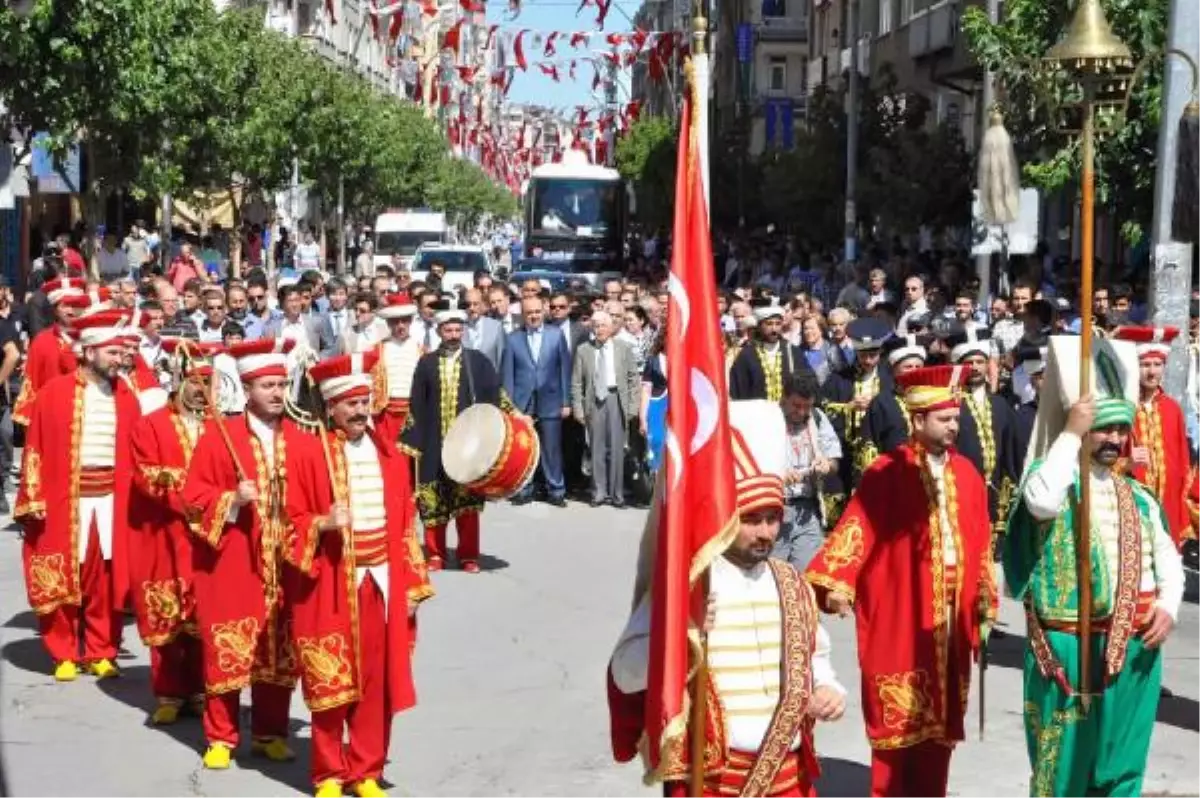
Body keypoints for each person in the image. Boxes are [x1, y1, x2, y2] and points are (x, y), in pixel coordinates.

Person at [608, 400, 847, 798]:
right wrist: (679, 633)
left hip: (786, 774)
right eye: (751, 520)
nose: (766, 533)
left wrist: (827, 688)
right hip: (711, 779)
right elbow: (624, 674)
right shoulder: (687, 586)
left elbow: (815, 655)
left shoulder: (792, 582)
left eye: (773, 519)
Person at [805, 364, 995, 798]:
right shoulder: (885, 472)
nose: (953, 427)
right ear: (917, 419)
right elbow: (857, 528)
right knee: (897, 724)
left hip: (951, 621)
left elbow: (980, 540)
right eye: (944, 419)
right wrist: (837, 581)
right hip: (901, 615)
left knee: (941, 727)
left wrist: (983, 595)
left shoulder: (967, 474)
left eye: (956, 419)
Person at [1006, 390, 1184, 796]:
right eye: (1104, 428)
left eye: (1122, 429)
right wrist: (1070, 433)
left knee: (1121, 765)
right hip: (1069, 646)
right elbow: (1041, 504)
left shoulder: (1139, 496)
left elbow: (1168, 559)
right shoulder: (1050, 479)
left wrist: (1169, 606)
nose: (1115, 439)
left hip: (1135, 644)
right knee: (1063, 770)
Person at [285, 351, 433, 798]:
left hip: (383, 580)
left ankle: (366, 770)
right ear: (330, 407)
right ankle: (329, 773)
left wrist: (412, 582)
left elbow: (406, 520)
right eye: (349, 403)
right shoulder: (311, 454)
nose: (359, 409)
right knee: (331, 676)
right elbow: (288, 519)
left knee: (375, 680)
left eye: (364, 400)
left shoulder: (389, 453)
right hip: (331, 579)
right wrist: (321, 524)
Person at [180, 337, 301, 770]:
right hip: (233, 561)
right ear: (248, 389)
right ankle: (220, 736)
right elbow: (191, 497)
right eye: (267, 385)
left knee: (278, 648)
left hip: (284, 561)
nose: (276, 393)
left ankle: (270, 731)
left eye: (281, 385)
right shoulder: (220, 436)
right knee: (227, 647)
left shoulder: (300, 437)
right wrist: (231, 499)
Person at [14, 309, 143, 682]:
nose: (120, 360)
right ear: (89, 352)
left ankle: (102, 649)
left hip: (111, 500)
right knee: (61, 576)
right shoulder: (54, 393)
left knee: (105, 577)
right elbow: (34, 449)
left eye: (122, 353)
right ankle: (64, 651)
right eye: (112, 353)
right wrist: (32, 498)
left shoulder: (128, 397)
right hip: (65, 499)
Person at [127, 339, 217, 724]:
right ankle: (168, 693)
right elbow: (147, 475)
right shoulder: (152, 424)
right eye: (194, 380)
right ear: (177, 380)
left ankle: (200, 690)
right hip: (165, 534)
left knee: (205, 615)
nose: (201, 388)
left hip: (210, 536)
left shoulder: (222, 427)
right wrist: (196, 495)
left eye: (208, 381)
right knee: (166, 612)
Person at [400, 300, 516, 573]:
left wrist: (515, 415)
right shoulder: (426, 363)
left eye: (457, 330)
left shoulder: (478, 361)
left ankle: (468, 556)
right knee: (433, 500)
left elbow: (496, 394)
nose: (453, 335)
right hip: (433, 441)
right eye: (448, 330)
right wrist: (410, 441)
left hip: (469, 444)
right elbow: (416, 403)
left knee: (467, 503)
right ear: (439, 331)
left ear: (463, 330)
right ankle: (436, 554)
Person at [1111, 326, 1194, 548]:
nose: (1152, 372)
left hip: (1168, 509)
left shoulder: (1172, 409)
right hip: (1131, 508)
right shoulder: (1120, 408)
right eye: (1145, 364)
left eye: (1158, 365)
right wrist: (1127, 463)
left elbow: (1184, 466)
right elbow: (1097, 463)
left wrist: (1182, 517)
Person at [946, 327, 1020, 535]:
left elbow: (1011, 451)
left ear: (988, 365)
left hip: (996, 493)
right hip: (960, 491)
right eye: (969, 363)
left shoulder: (1000, 404)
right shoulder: (950, 404)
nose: (975, 367)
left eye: (980, 362)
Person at [502, 296, 572, 507]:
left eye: (537, 312)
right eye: (529, 313)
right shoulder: (513, 338)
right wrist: (510, 406)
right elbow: (508, 375)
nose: (533, 316)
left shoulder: (556, 335)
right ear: (522, 315)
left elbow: (564, 370)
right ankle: (524, 488)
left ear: (544, 312)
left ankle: (556, 490)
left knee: (552, 448)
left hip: (551, 399)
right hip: (523, 402)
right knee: (524, 447)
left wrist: (566, 401)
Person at [572, 309, 640, 508]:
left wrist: (633, 407)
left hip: (616, 399)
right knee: (596, 448)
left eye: (603, 325)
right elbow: (577, 383)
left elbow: (633, 379)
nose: (599, 329)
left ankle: (617, 494)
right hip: (594, 402)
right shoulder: (583, 350)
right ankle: (598, 493)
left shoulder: (624, 348)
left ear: (611, 327)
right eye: (595, 325)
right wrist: (578, 408)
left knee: (618, 449)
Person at [777, 371, 842, 570]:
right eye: (797, 406)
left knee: (807, 575)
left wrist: (826, 465)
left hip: (807, 510)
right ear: (784, 398)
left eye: (807, 406)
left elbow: (834, 460)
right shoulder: (768, 419)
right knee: (775, 573)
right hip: (775, 510)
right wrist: (778, 474)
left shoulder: (817, 418)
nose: (802, 412)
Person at [822, 317, 891, 491]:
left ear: (881, 351)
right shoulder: (840, 378)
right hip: (848, 453)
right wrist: (848, 407)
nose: (868, 360)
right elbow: (822, 406)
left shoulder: (890, 378)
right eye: (862, 355)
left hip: (881, 450)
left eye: (872, 355)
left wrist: (877, 406)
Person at [12, 277, 88, 425]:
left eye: (75, 305)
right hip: (52, 418)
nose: (71, 310)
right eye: (65, 305)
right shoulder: (42, 342)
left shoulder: (94, 338)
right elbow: (32, 386)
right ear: (55, 309)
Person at [728, 301, 814, 402]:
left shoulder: (793, 352)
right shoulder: (747, 355)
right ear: (760, 326)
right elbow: (738, 392)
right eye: (769, 324)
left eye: (778, 324)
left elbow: (808, 385)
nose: (774, 329)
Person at [860, 333, 927, 463]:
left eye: (918, 367)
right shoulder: (881, 402)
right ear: (895, 370)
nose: (914, 371)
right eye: (908, 367)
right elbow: (870, 444)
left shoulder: (931, 397)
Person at [463, 289, 505, 371]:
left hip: (490, 379)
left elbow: (501, 359)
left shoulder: (496, 327)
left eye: (475, 304)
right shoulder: (460, 328)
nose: (472, 308)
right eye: (468, 304)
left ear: (482, 304)